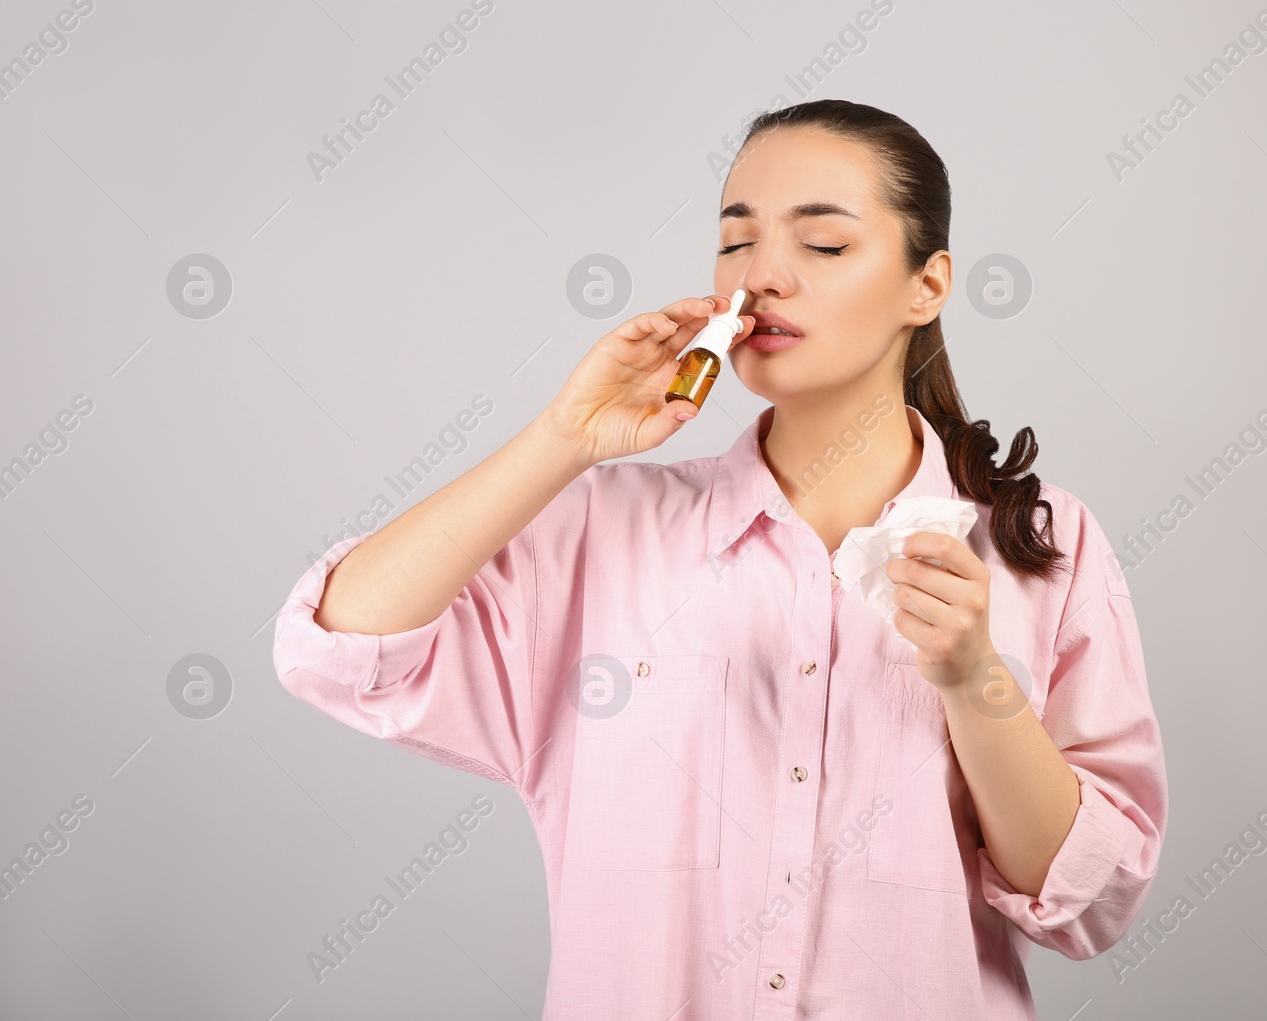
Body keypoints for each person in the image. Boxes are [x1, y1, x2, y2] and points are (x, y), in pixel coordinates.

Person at [273, 98, 1166, 1019]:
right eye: (736, 244)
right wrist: (562, 438)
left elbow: (1089, 901)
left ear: (926, 285)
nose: (764, 276)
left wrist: (976, 678)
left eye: (822, 245)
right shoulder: (601, 533)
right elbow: (338, 651)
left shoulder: (1040, 545)